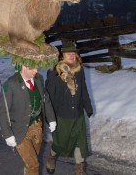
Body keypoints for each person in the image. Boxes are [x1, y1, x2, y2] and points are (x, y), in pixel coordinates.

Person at [45, 40, 93, 175]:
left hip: (77, 114)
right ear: (62, 56)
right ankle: (52, 156)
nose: (71, 56)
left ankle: (79, 168)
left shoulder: (80, 69)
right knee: (60, 143)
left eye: (73, 53)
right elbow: (50, 96)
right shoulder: (55, 73)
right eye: (68, 53)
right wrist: (50, 116)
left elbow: (83, 89)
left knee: (80, 141)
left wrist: (88, 107)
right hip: (61, 116)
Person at [0, 64, 57, 175]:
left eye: (37, 67)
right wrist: (7, 134)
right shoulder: (10, 84)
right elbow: (3, 112)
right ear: (23, 66)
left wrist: (51, 118)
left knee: (32, 161)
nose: (36, 70)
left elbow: (46, 99)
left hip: (37, 127)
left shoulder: (39, 78)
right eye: (32, 68)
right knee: (33, 164)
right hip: (19, 131)